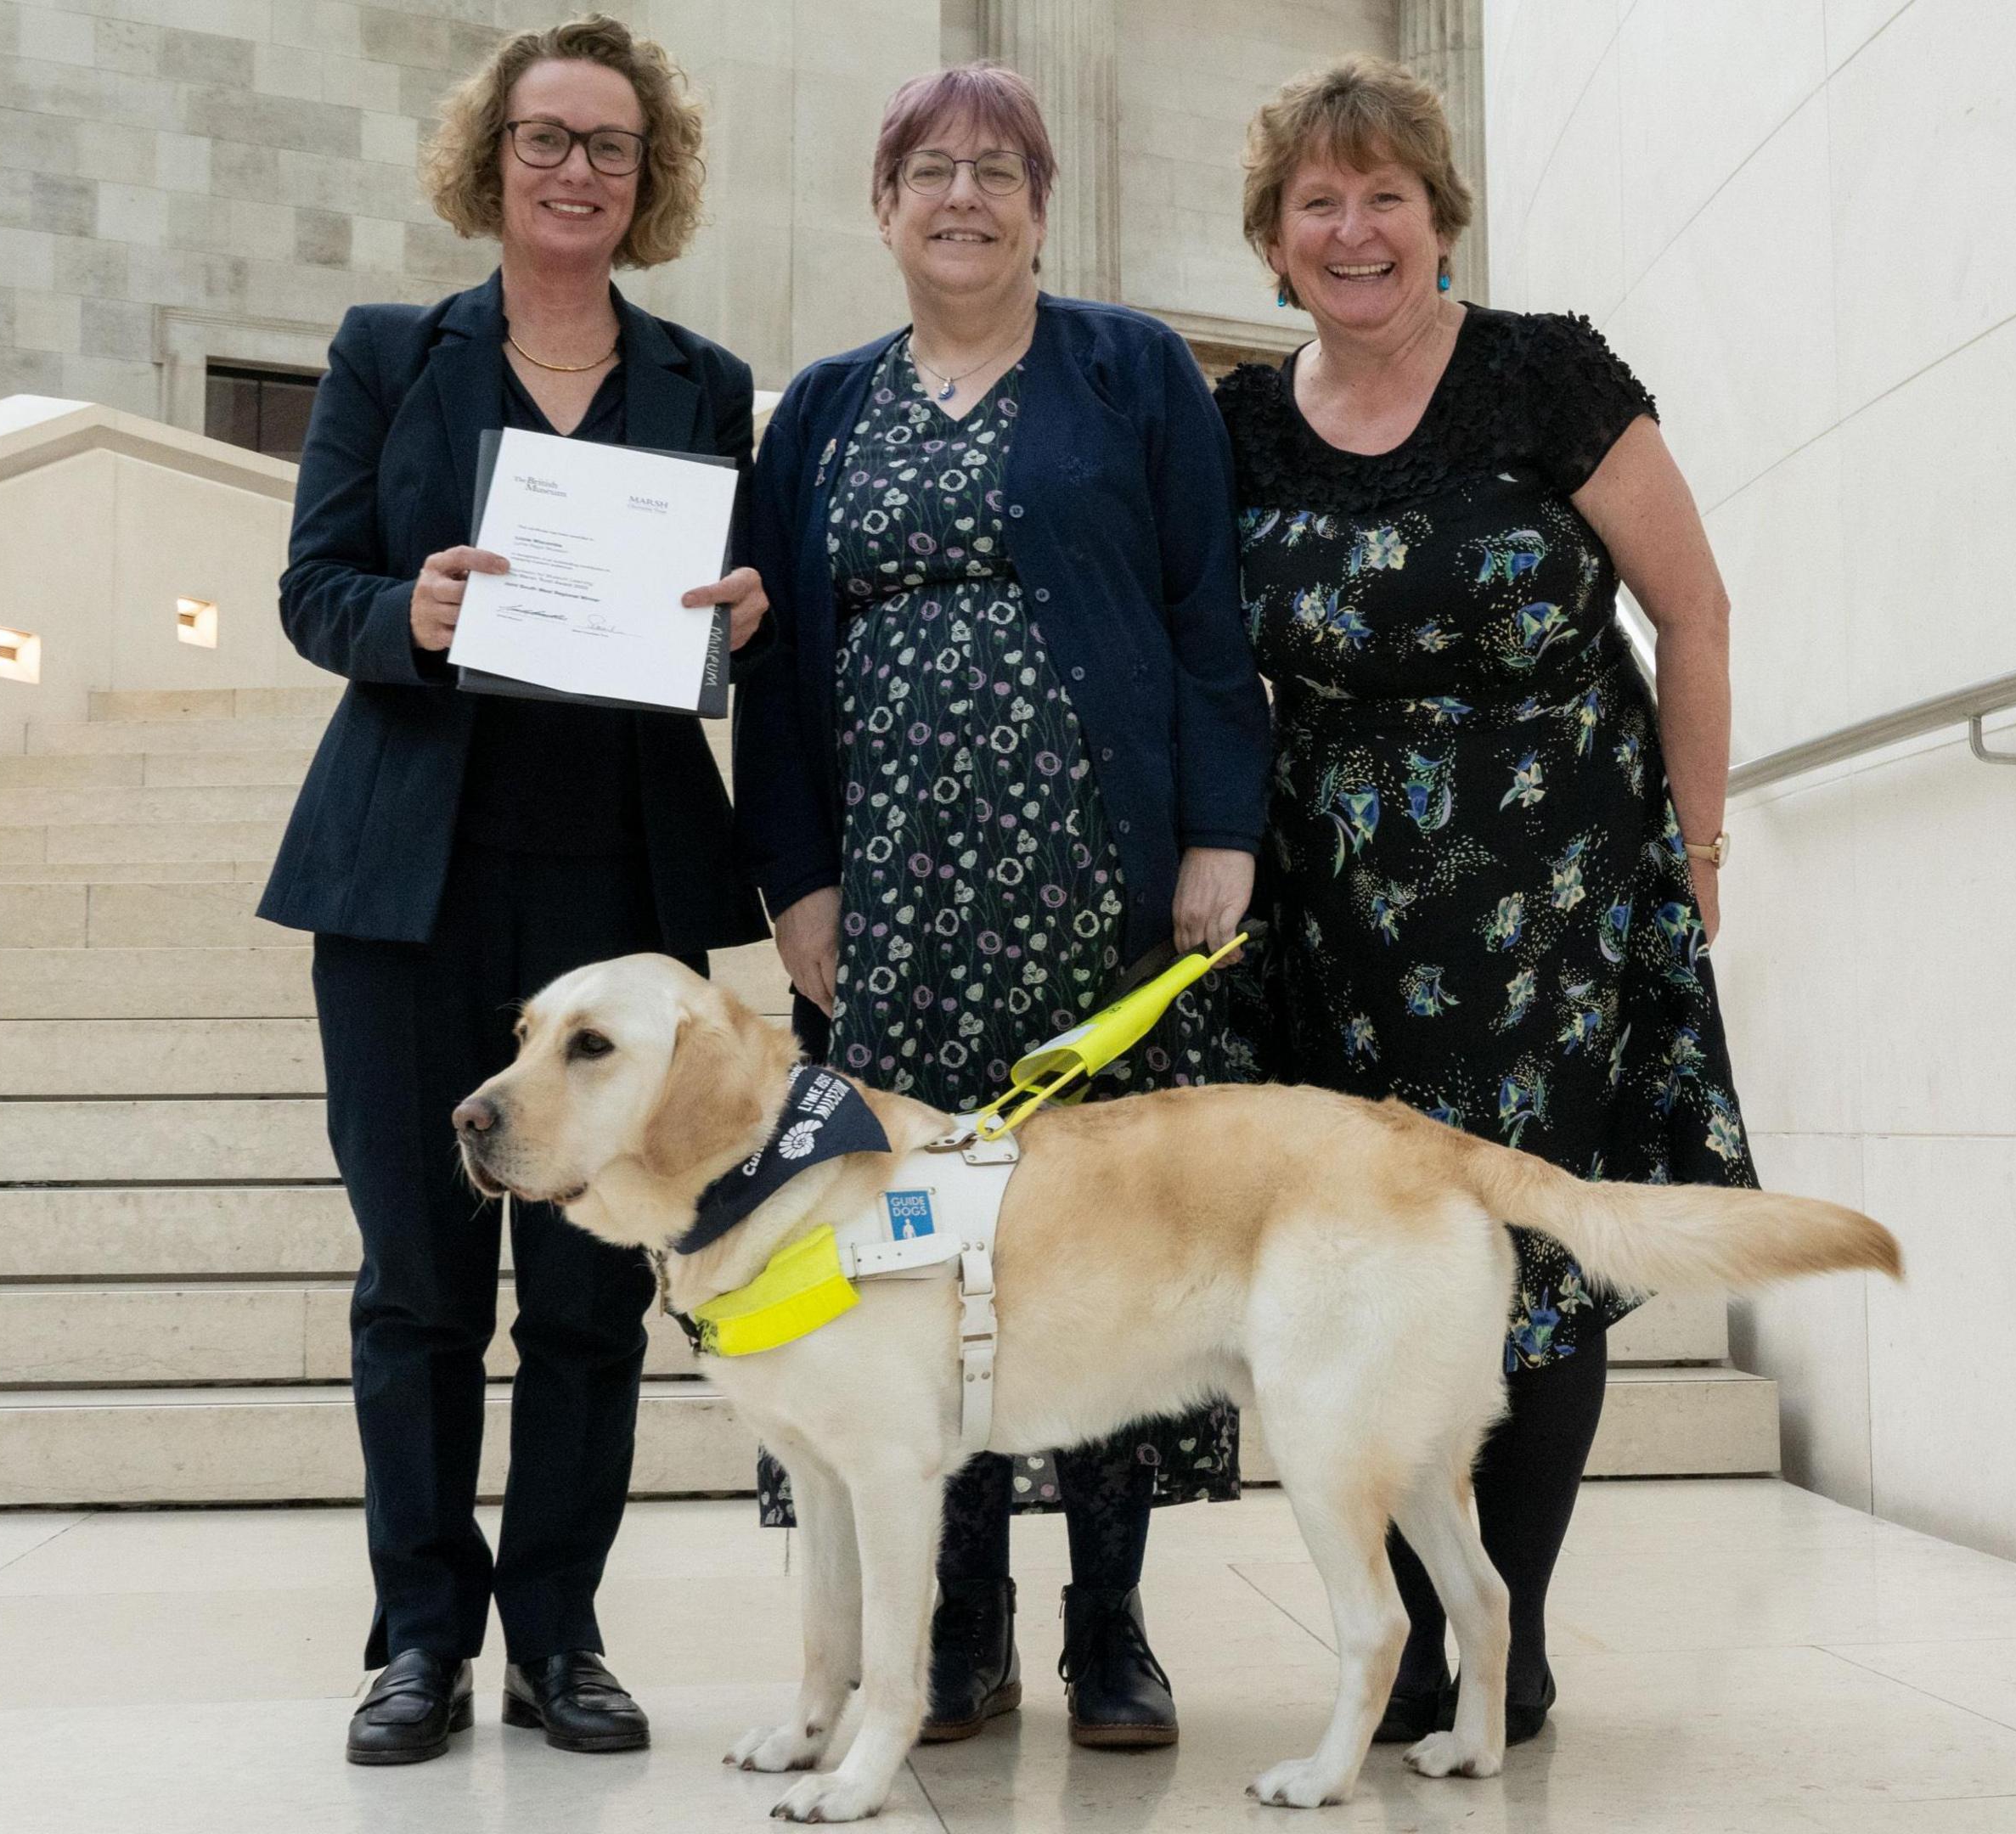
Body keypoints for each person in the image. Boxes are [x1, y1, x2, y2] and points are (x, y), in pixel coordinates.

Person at [1214, 53, 1760, 1744]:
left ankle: (1499, 1647)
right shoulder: (1238, 425)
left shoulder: (1545, 376)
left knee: (1529, 1264)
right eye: (1322, 202)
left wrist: (1699, 848)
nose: (1357, 227)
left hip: (1552, 909)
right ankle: (1415, 1637)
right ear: (1276, 239)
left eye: (1388, 196)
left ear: (1440, 220)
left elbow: (1697, 612)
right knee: (1376, 1287)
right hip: (1336, 918)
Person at [730, 64, 1271, 1752]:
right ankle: (949, 1635)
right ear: (883, 208)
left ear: (1041, 204)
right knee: (906, 1262)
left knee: (1102, 1251)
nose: (962, 196)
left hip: (1091, 887)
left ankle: (1109, 1630)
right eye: (928, 172)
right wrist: (799, 880)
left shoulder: (1133, 373)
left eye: (996, 171)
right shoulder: (819, 413)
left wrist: (1220, 830)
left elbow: (1205, 612)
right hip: (894, 904)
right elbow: (774, 672)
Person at [256, 14, 770, 1767]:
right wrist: (407, 611)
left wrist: (748, 619)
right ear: (494, 160)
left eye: (609, 147)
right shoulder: (391, 351)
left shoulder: (702, 380)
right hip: (404, 882)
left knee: (588, 1296)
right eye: (547, 139)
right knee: (416, 1284)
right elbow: (312, 584)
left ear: (652, 178)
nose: (575, 171)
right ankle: (420, 1643)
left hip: (618, 889)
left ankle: (559, 1635)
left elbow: (733, 601)